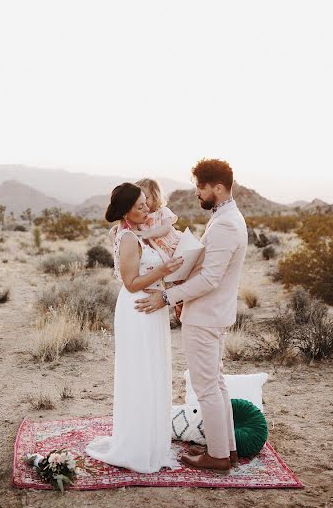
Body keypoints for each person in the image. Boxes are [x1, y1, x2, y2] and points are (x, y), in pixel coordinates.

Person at [135, 159, 248, 472]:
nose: (197, 192)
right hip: (211, 313)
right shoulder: (227, 217)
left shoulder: (226, 223)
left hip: (206, 316)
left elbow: (211, 278)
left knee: (207, 386)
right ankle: (228, 448)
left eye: (201, 186)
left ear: (217, 187)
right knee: (217, 383)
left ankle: (217, 456)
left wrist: (169, 297)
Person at [85, 182, 183, 473]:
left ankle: (152, 440)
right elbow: (130, 283)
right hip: (138, 307)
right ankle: (138, 444)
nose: (146, 209)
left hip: (152, 306)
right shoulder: (128, 237)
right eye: (140, 205)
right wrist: (163, 271)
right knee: (140, 372)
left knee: (154, 371)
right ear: (127, 209)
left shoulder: (140, 233)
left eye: (146, 204)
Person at [134, 178, 183, 260]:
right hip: (156, 250)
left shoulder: (162, 211)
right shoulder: (140, 216)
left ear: (155, 196)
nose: (143, 202)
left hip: (171, 245)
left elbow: (165, 228)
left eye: (146, 198)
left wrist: (147, 234)